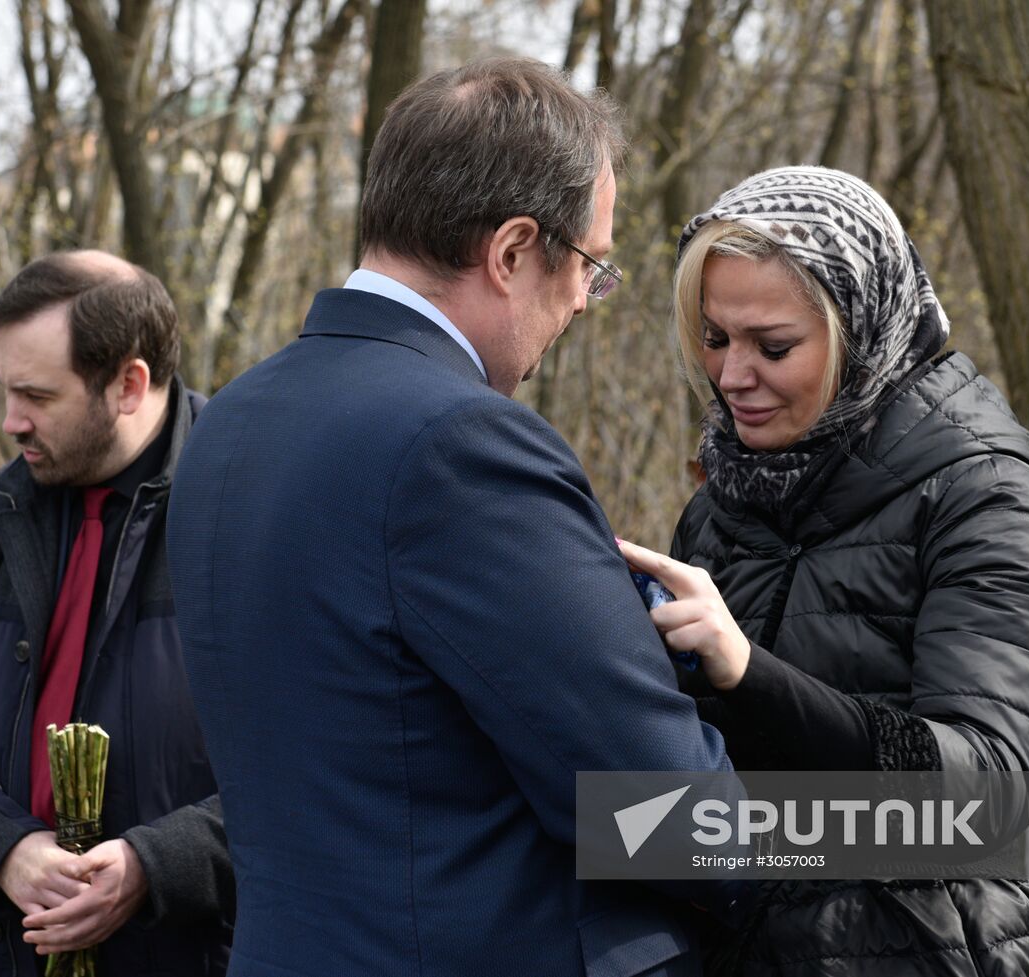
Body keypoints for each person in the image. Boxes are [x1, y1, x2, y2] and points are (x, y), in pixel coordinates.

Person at [166, 58, 749, 977]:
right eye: (591, 269)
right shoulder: (461, 443)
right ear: (515, 252)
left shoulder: (230, 421)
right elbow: (661, 812)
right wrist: (899, 834)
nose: (582, 308)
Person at [617, 166, 1029, 976]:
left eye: (774, 346)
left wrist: (748, 675)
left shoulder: (986, 497)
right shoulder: (727, 499)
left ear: (861, 331)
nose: (731, 377)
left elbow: (988, 798)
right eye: (715, 337)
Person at [0, 251, 233, 977]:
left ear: (129, 384)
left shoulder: (248, 518)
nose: (10, 421)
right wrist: (6, 850)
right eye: (7, 391)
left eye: (37, 396)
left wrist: (153, 866)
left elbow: (316, 767)